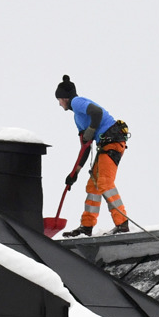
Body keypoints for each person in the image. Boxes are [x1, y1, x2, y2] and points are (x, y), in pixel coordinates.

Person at [55, 75, 130, 237]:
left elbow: (96, 112)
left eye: (59, 99)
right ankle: (86, 226)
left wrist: (91, 129)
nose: (59, 103)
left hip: (113, 141)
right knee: (93, 185)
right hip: (105, 146)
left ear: (65, 98)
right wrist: (74, 173)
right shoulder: (77, 118)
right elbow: (85, 147)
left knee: (104, 182)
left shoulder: (77, 101)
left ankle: (122, 223)